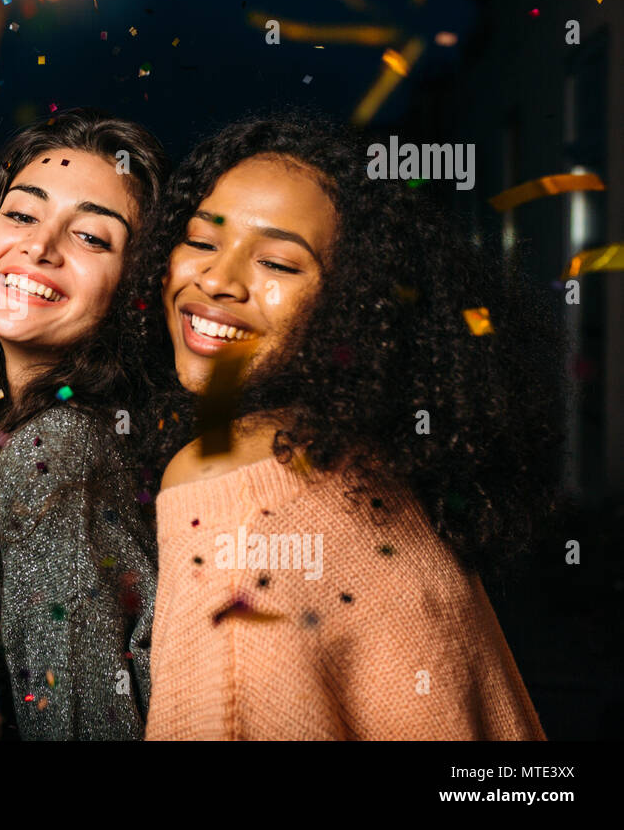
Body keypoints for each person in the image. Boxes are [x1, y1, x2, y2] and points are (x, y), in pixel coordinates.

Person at [142, 113, 559, 740]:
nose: (217, 281)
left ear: (354, 304)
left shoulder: (230, 491)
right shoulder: (367, 461)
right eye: (201, 242)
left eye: (279, 264)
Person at [0, 109, 169, 739]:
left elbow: (74, 718)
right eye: (22, 214)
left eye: (92, 238)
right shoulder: (25, 427)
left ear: (134, 285)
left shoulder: (57, 446)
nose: (40, 248)